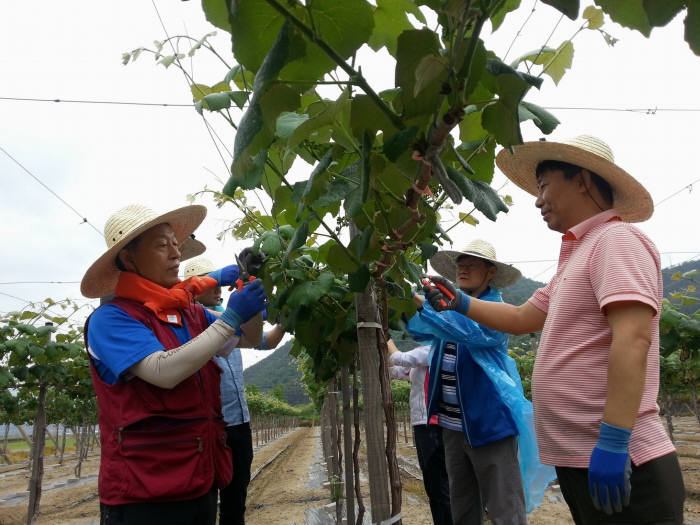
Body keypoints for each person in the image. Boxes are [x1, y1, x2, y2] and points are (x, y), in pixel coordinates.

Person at [424, 136, 685, 524]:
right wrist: (458, 302)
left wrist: (614, 440)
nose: (537, 199)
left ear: (581, 180)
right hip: (585, 458)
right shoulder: (578, 257)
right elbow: (520, 318)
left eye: (544, 184)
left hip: (625, 460)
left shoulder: (616, 240)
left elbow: (633, 338)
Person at [80, 203, 267, 525]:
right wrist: (232, 316)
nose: (176, 255)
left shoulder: (190, 313)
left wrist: (252, 289)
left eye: (176, 245)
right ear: (128, 258)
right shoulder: (111, 318)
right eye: (161, 245)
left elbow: (247, 338)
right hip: (145, 491)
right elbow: (162, 371)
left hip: (200, 477)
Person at [410, 239, 553, 525]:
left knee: (504, 508)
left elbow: (469, 333)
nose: (463, 270)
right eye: (460, 266)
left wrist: (418, 299)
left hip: (489, 424)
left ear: (490, 273)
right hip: (451, 425)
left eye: (471, 265)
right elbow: (419, 330)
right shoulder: (446, 309)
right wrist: (408, 299)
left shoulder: (495, 310)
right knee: (462, 506)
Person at [184, 255, 285, 525]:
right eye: (211, 279)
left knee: (236, 499)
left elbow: (266, 341)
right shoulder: (192, 321)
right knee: (204, 502)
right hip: (211, 429)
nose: (218, 286)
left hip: (240, 425)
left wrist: (285, 319)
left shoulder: (231, 325)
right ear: (194, 286)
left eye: (219, 279)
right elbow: (227, 320)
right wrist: (243, 313)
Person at [387, 339, 453, 525]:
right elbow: (396, 370)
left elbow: (401, 358)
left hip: (432, 424)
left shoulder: (433, 349)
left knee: (440, 484)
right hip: (421, 425)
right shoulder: (421, 355)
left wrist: (387, 339)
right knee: (432, 484)